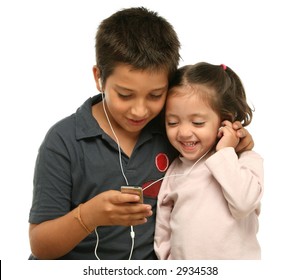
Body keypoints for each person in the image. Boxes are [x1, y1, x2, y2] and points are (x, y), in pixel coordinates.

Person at [28, 7, 253, 260]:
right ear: (99, 77)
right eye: (125, 95)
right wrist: (88, 216)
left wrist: (237, 143)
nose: (139, 110)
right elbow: (40, 246)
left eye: (156, 95)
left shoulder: (172, 131)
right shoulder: (64, 140)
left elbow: (214, 156)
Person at [154, 62, 263, 260]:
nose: (184, 132)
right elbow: (163, 226)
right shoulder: (176, 168)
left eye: (198, 123)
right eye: (173, 122)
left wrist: (226, 151)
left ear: (225, 120)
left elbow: (243, 203)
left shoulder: (246, 160)